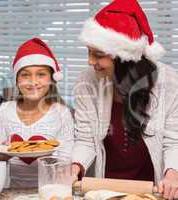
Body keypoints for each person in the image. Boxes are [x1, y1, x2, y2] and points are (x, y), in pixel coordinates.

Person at [71, 0, 178, 199]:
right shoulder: (86, 81)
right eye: (89, 52)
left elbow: (174, 141)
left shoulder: (170, 82)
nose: (90, 61)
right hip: (105, 190)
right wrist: (74, 167)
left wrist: (173, 172)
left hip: (153, 191)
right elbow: (86, 138)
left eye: (98, 54)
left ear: (125, 58)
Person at [0, 38, 74, 188]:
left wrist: (47, 154)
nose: (33, 82)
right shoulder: (5, 110)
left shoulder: (62, 113)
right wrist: (1, 155)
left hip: (50, 189)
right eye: (25, 75)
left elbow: (65, 160)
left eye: (41, 74)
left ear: (51, 79)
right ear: (17, 80)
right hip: (11, 190)